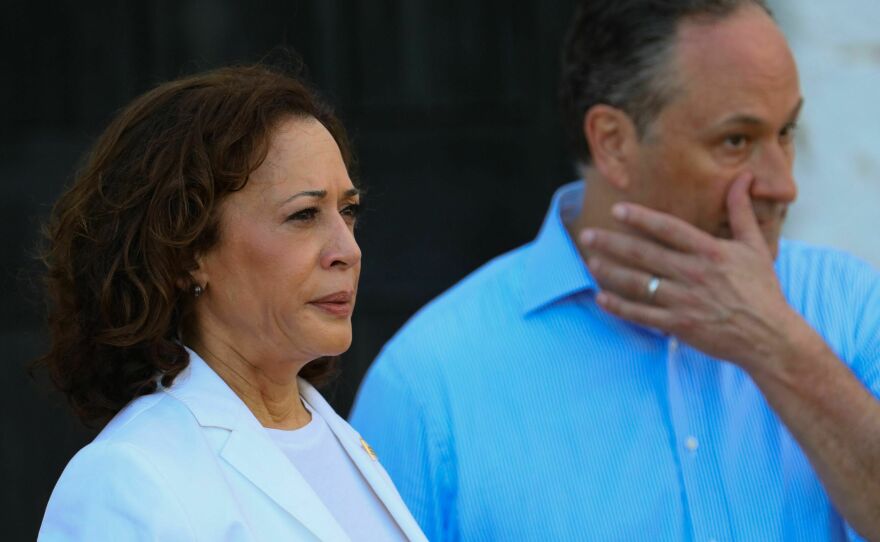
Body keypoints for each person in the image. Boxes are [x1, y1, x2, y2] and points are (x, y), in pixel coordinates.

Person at [349, 1, 880, 540]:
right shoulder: (427, 386)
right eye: (736, 141)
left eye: (786, 132)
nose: (782, 185)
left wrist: (780, 349)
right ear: (613, 143)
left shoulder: (853, 307)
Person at [36, 63, 427, 541]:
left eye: (348, 211)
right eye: (304, 214)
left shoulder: (341, 442)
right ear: (187, 252)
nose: (348, 250)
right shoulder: (128, 478)